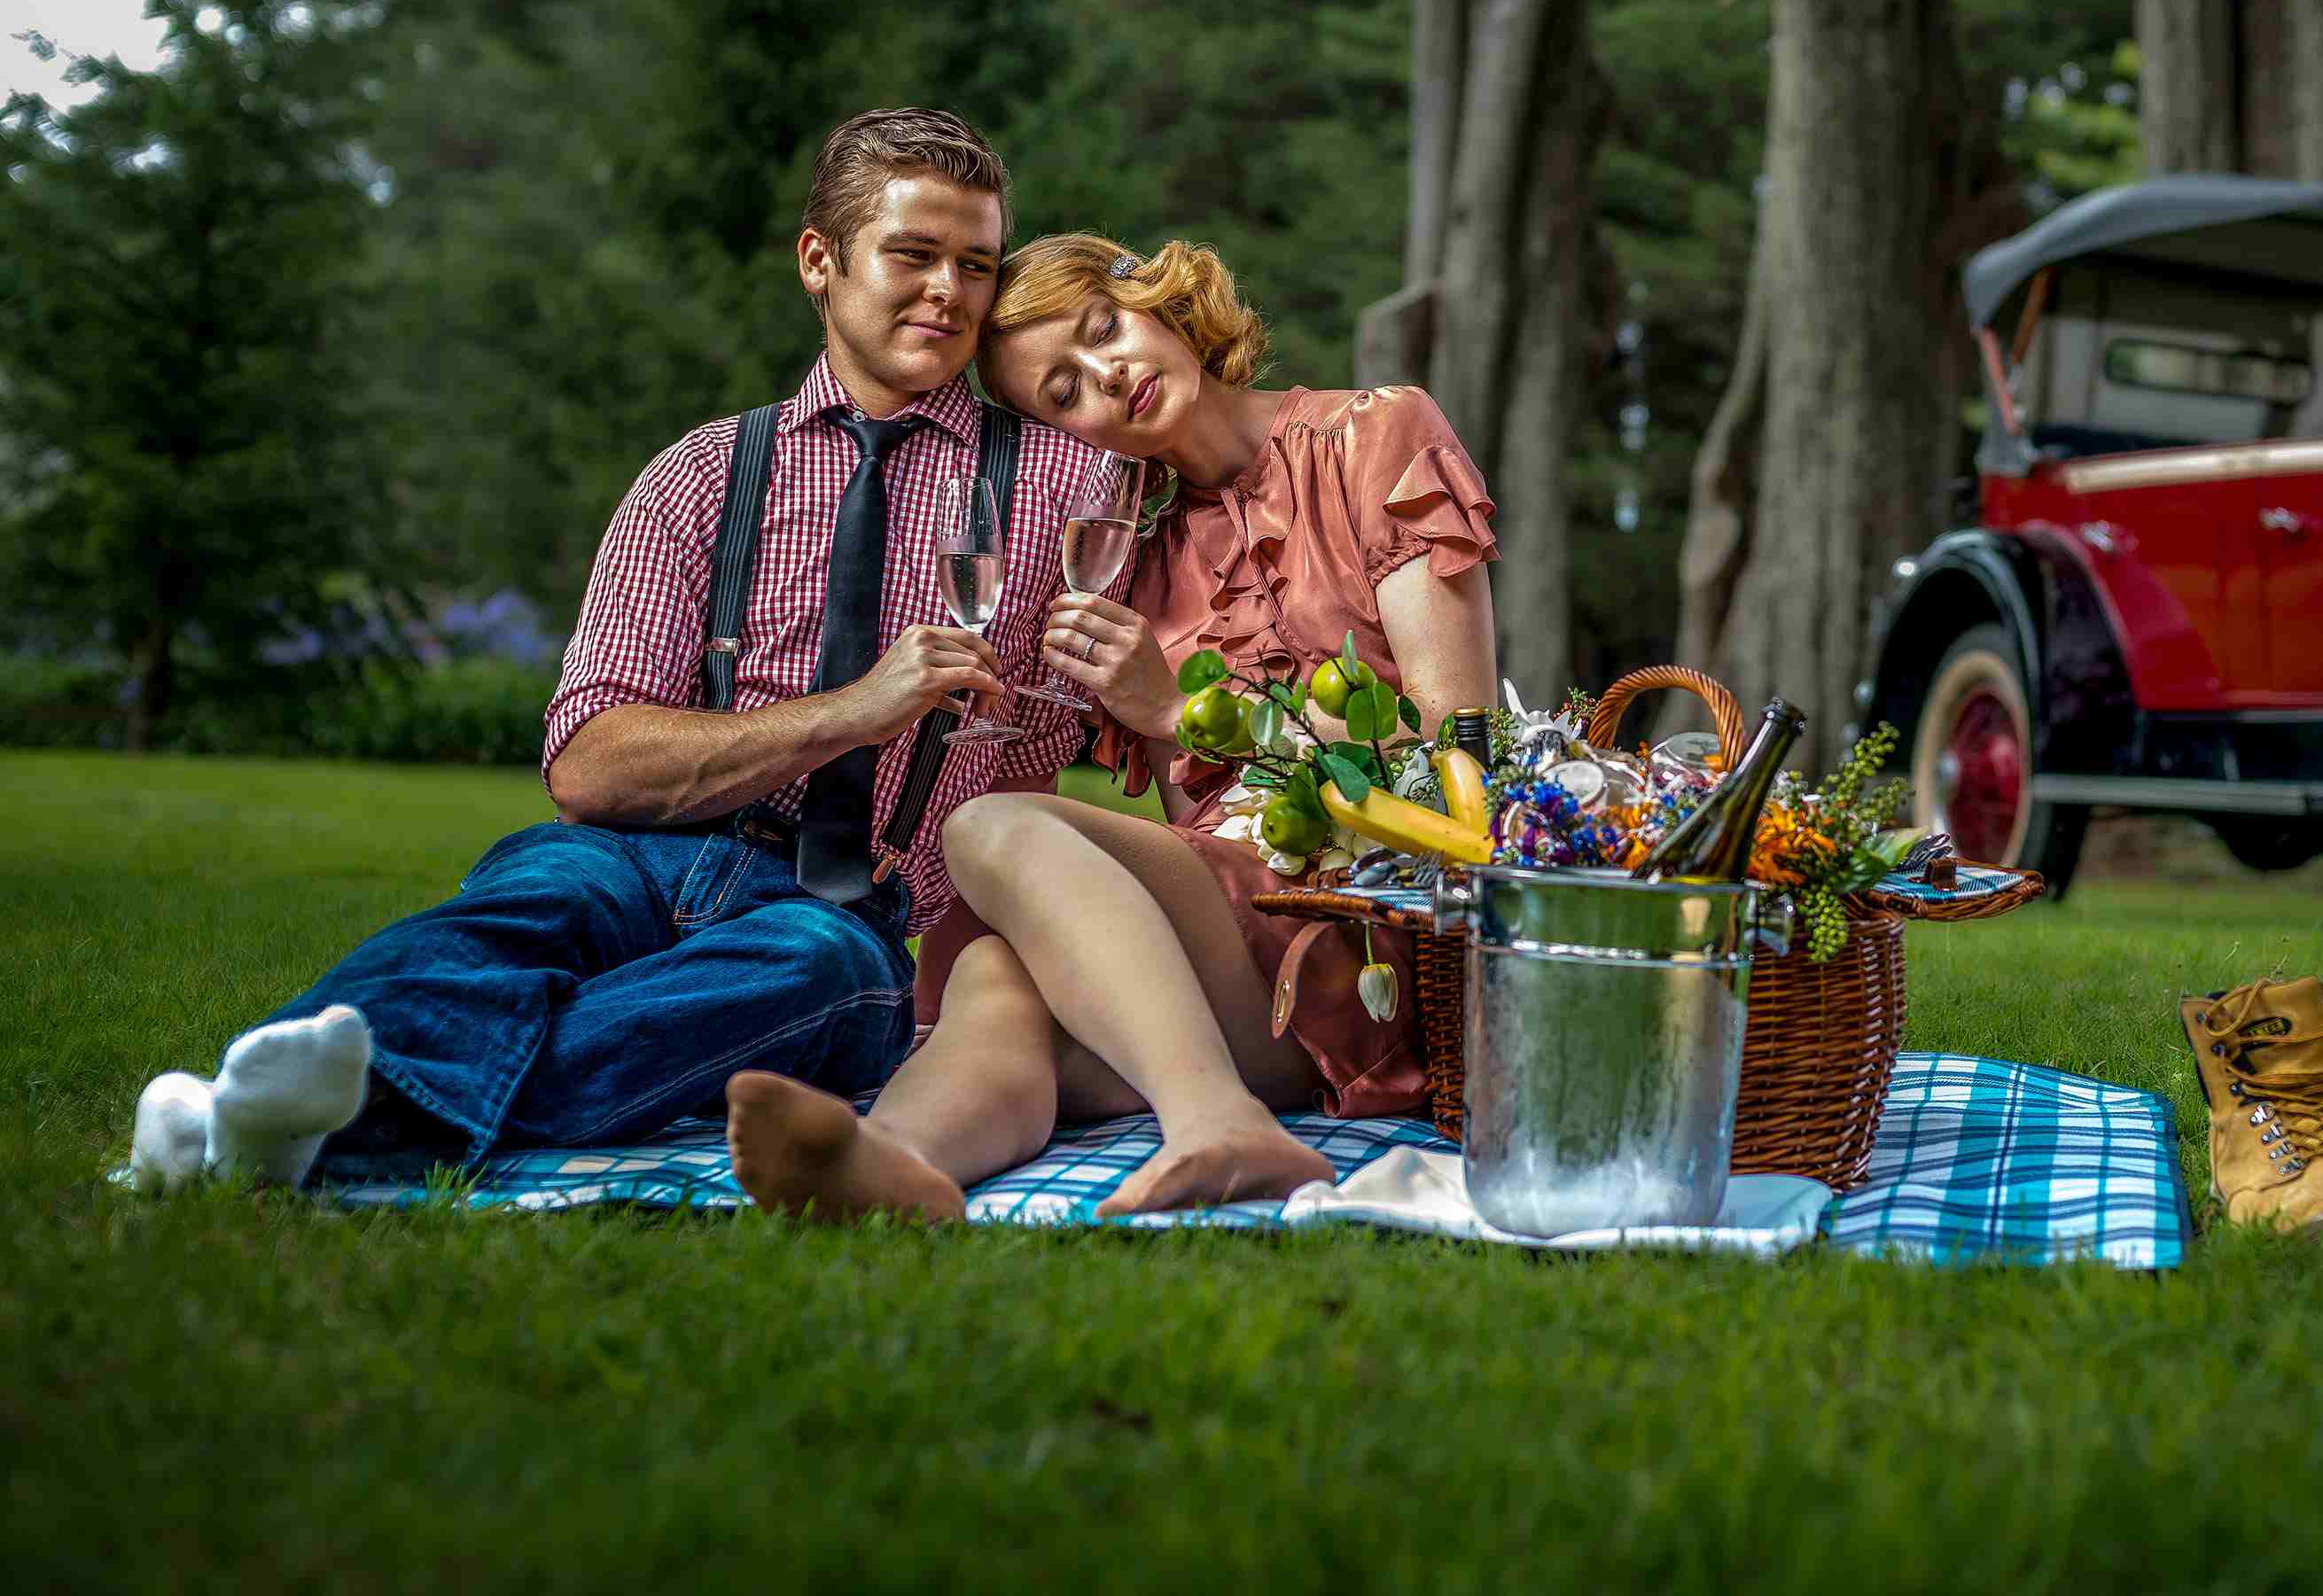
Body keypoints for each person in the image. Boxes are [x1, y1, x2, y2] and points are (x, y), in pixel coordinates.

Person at [127, 108, 1116, 1190]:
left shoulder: (1061, 489)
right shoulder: (700, 476)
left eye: (975, 263)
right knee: (531, 903)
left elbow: (1034, 783)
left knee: (810, 967)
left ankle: (277, 1124)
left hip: (839, 909)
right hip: (636, 858)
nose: (949, 290)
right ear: (820, 263)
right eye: (914, 254)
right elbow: (590, 767)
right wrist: (853, 709)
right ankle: (269, 1109)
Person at [722, 232, 1498, 1220]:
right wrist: (1145, 724)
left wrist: (1178, 709)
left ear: (1159, 303)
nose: (1108, 376)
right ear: (1071, 439)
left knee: (987, 827)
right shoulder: (1140, 562)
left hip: (1393, 934)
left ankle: (1219, 1120)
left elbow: (1462, 757)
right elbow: (1208, 830)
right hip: (1250, 960)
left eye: (1102, 331)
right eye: (1064, 393)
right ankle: (895, 1165)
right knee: (1000, 974)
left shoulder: (1372, 435)